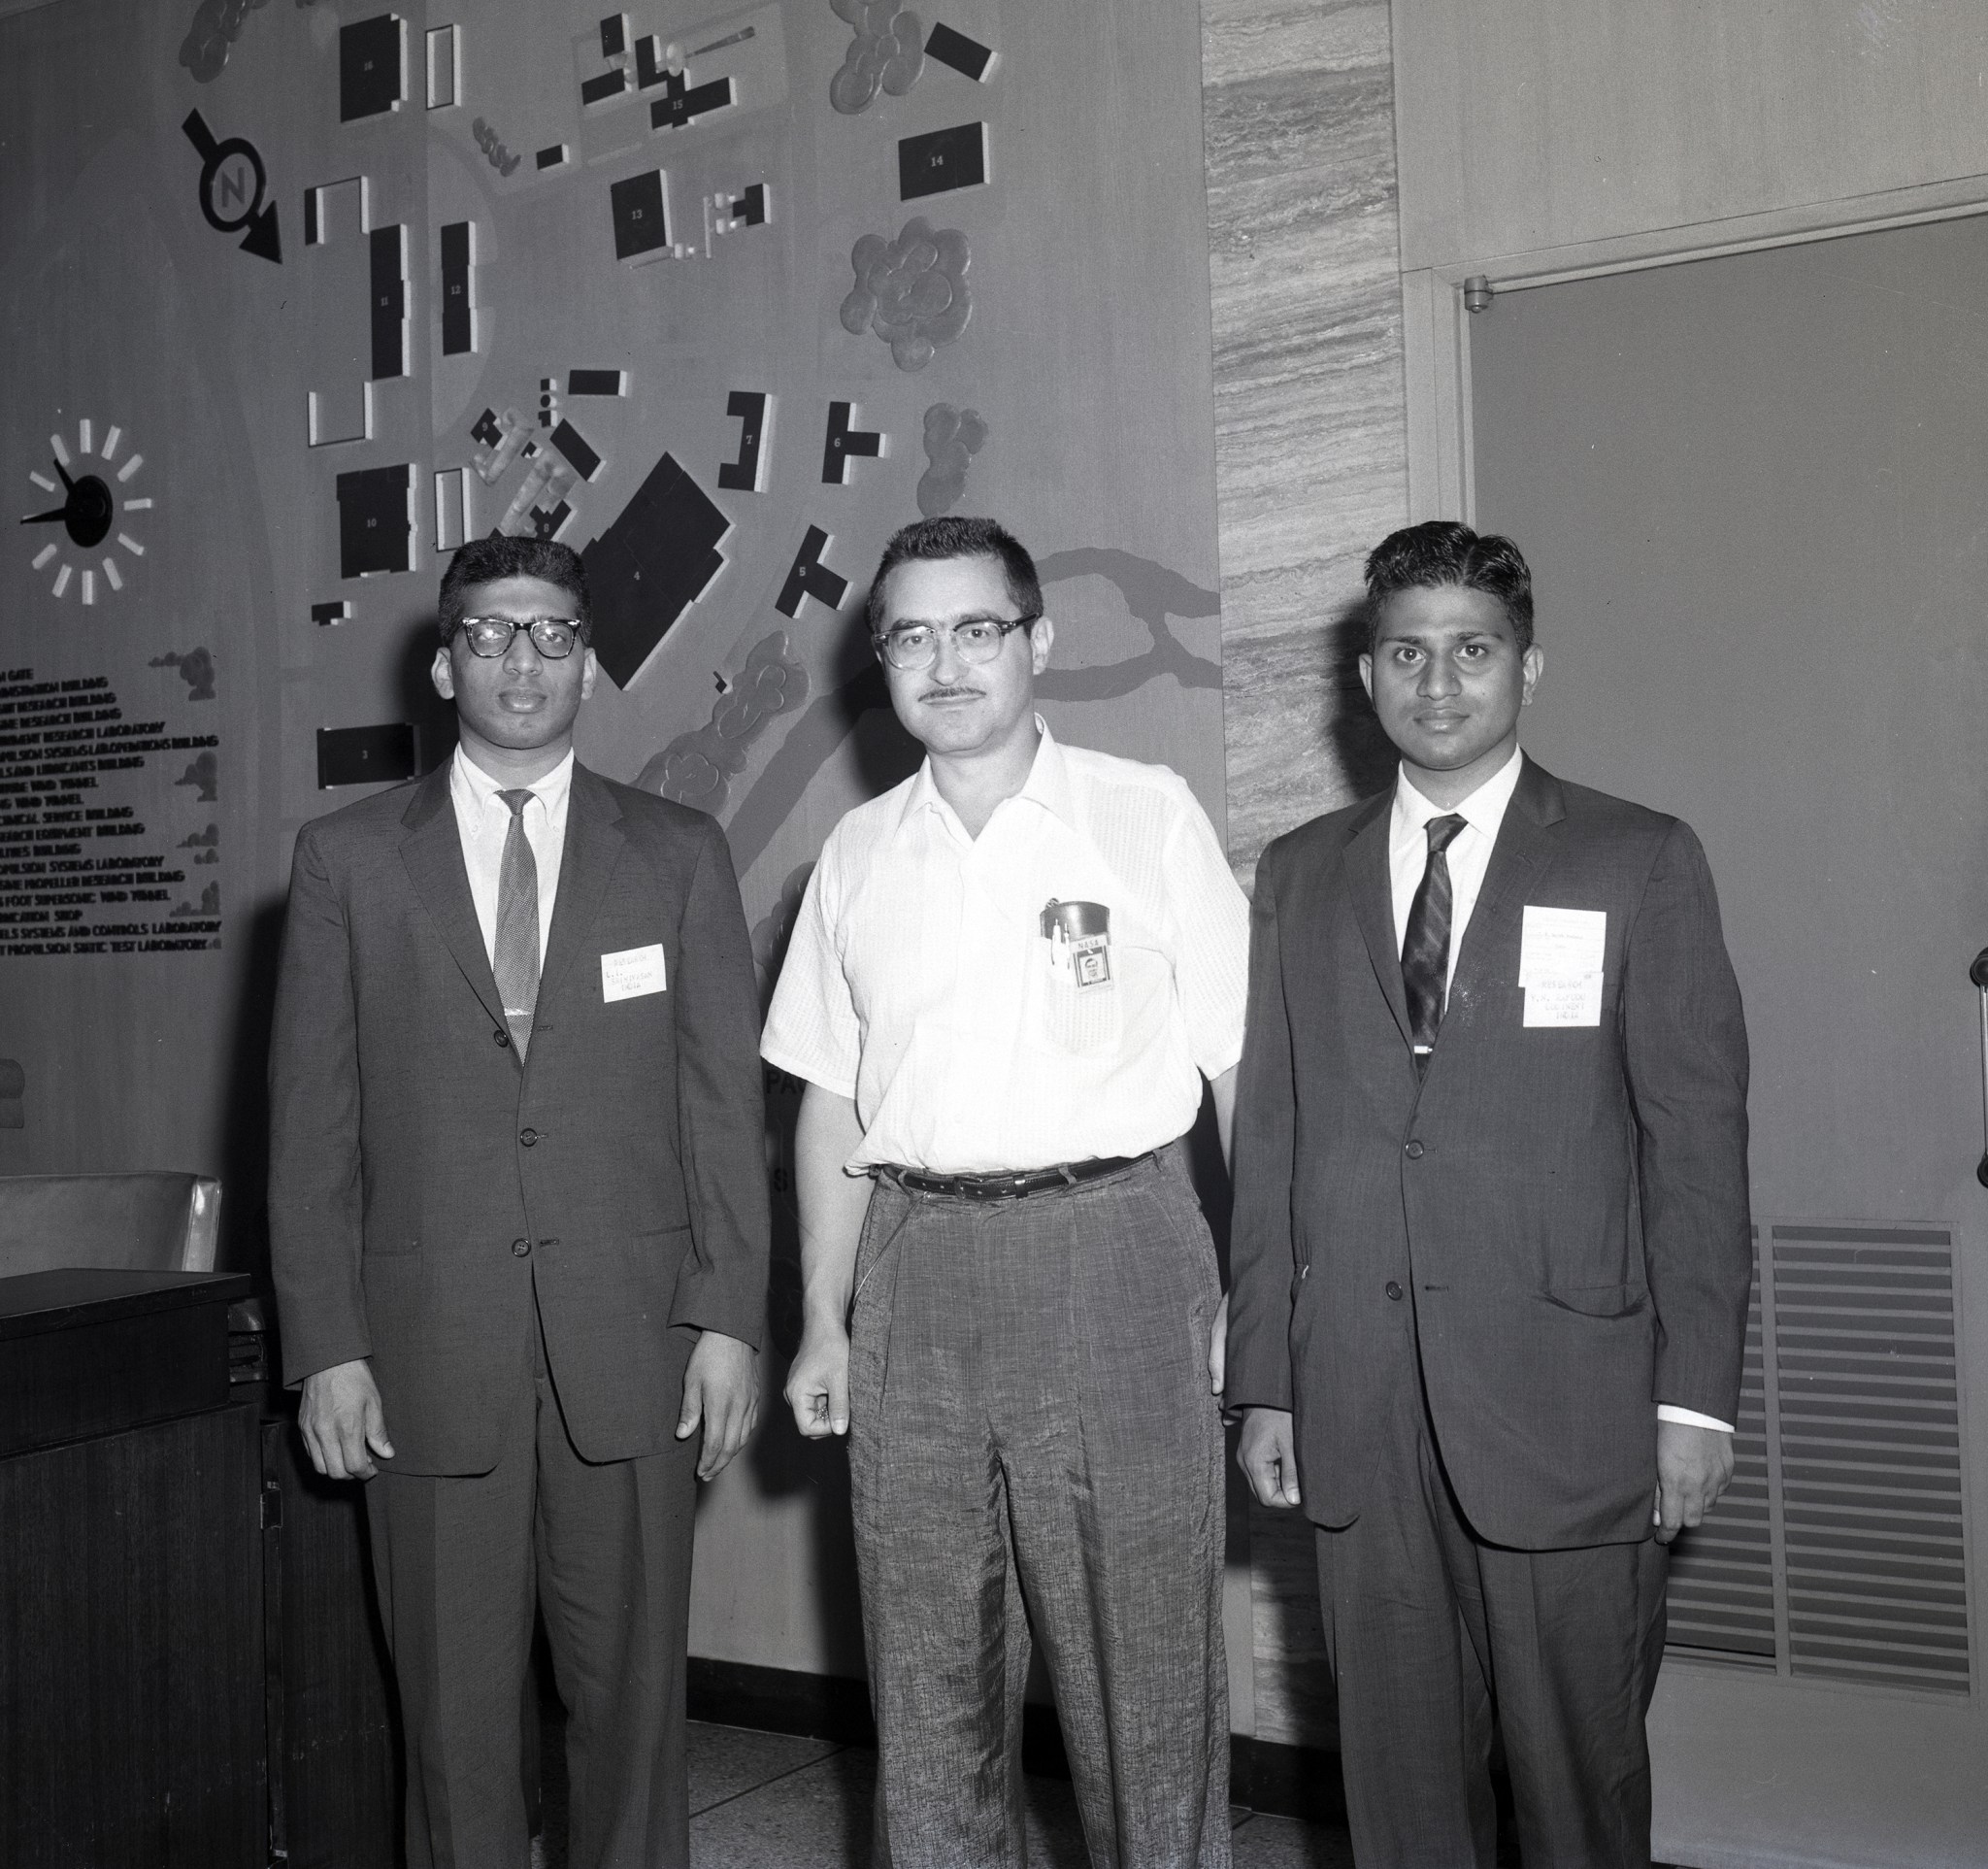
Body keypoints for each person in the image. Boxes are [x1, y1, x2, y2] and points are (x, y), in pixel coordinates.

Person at [1226, 520, 1751, 1868]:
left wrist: (1693, 1397)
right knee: (1401, 1801)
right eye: (1407, 652)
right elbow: (1274, 1142)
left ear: (1531, 665)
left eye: (1474, 650)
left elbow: (1694, 1148)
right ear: (1365, 674)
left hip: (1569, 1409)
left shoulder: (1639, 859)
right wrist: (1272, 1380)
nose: (1439, 682)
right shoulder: (1298, 873)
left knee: (1577, 1792)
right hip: (1363, 1402)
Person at [268, 535, 769, 1869]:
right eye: (490, 634)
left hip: (637, 1348)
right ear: (443, 664)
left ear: (591, 665)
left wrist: (730, 1316)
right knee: (450, 1728)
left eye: (551, 634)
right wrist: (326, 1345)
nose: (522, 661)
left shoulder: (676, 852)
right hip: (428, 1356)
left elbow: (724, 1107)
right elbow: (312, 1128)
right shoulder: (346, 861)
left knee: (635, 1721)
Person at [762, 516, 1247, 1867]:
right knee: (926, 1687)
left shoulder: (1141, 811)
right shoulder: (854, 855)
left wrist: (1259, 1291)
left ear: (1040, 642)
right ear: (883, 664)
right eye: (912, 636)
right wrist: (821, 1312)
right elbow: (831, 1100)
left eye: (977, 629)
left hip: (1118, 1252)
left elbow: (1238, 1069)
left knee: (1143, 1679)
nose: (946, 661)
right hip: (914, 1268)